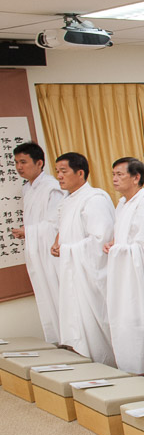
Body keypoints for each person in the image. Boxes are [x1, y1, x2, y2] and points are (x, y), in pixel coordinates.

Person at [51, 152, 115, 364]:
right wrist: (59, 244)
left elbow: (100, 238)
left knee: (95, 317)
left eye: (64, 171)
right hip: (74, 269)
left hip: (91, 272)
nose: (59, 176)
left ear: (80, 173)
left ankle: (106, 361)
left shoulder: (94, 198)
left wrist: (68, 249)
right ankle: (84, 358)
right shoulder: (68, 200)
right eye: (57, 171)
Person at [104, 157, 144, 374]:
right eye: (113, 175)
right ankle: (132, 361)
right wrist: (115, 244)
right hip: (123, 268)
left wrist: (120, 248)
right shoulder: (122, 203)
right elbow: (125, 237)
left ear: (136, 177)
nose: (114, 179)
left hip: (140, 270)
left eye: (120, 174)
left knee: (143, 315)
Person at [12, 142, 64, 343]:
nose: (19, 167)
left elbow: (57, 223)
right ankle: (57, 340)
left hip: (51, 252)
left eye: (23, 162)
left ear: (39, 162)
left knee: (58, 294)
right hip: (36, 250)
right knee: (45, 295)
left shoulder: (52, 188)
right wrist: (28, 232)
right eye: (16, 162)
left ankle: (70, 341)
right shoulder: (28, 189)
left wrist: (30, 231)